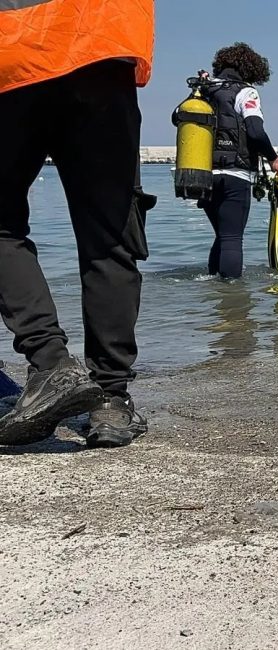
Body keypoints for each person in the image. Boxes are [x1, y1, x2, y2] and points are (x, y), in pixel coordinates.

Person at [0, 0, 154, 448]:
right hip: (101, 46)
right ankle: (110, 400)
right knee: (109, 234)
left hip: (13, 56)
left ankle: (51, 365)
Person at [196, 43, 278, 279]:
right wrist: (274, 158)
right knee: (232, 238)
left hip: (202, 175)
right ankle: (233, 304)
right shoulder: (246, 92)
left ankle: (214, 295)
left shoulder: (204, 90)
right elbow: (255, 132)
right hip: (234, 174)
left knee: (222, 236)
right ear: (252, 69)